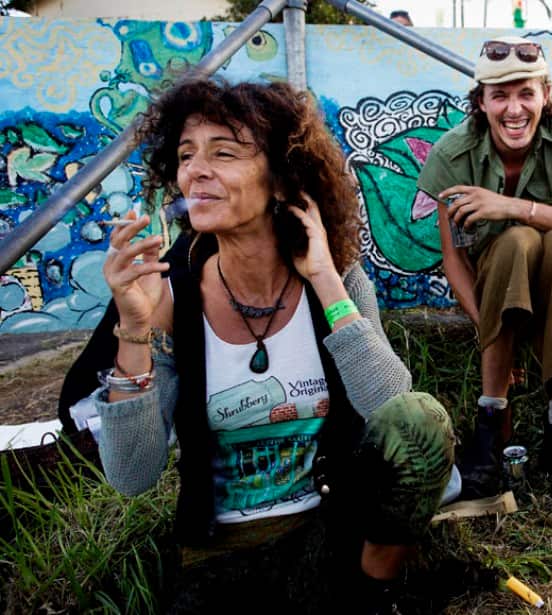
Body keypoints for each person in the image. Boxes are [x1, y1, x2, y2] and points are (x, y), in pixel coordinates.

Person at [84, 78, 454, 613]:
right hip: (220, 562)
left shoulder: (335, 280)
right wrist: (135, 329)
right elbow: (133, 474)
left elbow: (392, 406)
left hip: (334, 532)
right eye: (186, 155)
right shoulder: (172, 299)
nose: (196, 170)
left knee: (422, 419)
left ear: (281, 179)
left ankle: (377, 592)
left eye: (224, 153)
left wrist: (325, 277)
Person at [417, 36, 552, 498]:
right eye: (500, 95)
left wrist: (511, 205)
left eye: (526, 93)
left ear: (546, 95)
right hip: (499, 282)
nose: (514, 109)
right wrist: (488, 326)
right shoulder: (453, 154)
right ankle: (491, 421)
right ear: (481, 103)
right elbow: (454, 260)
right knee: (514, 242)